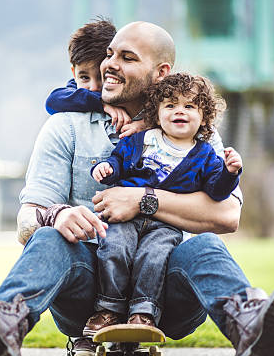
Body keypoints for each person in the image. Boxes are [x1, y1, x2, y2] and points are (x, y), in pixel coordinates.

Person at [0, 21, 274, 356]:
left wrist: (142, 200)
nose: (109, 65)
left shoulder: (195, 131)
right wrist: (59, 215)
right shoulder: (65, 127)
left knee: (206, 246)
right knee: (48, 238)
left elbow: (227, 215)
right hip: (87, 294)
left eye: (126, 57)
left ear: (161, 72)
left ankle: (254, 332)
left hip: (167, 290)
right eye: (109, 55)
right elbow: (27, 219)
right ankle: (1, 328)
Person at [83, 72, 242, 337]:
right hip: (125, 218)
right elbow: (119, 160)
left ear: (204, 117)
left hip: (166, 224)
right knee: (114, 248)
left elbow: (216, 191)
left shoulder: (204, 154)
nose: (180, 111)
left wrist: (229, 172)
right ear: (156, 113)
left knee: (154, 257)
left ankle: (143, 313)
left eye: (189, 106)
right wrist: (107, 168)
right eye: (170, 105)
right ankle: (108, 309)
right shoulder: (141, 140)